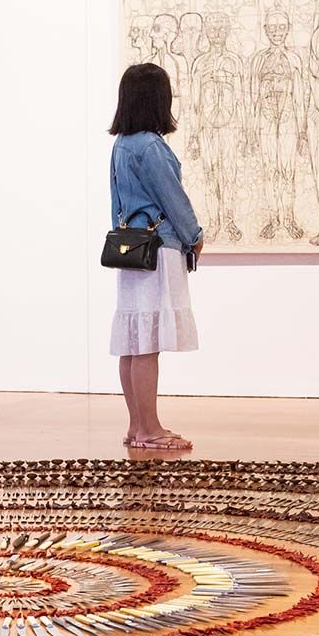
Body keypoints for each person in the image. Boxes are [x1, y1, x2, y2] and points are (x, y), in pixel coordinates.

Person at [108, 63, 204, 450]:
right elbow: (173, 199)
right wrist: (194, 236)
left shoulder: (121, 145)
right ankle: (150, 429)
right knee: (146, 341)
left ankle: (137, 427)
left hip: (130, 248)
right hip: (157, 249)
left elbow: (117, 202)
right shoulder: (150, 146)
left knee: (134, 339)